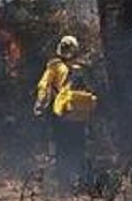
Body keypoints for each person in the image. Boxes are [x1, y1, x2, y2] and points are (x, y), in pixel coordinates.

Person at [34, 35, 97, 190]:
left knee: (61, 147)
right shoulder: (82, 68)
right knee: (79, 147)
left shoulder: (54, 66)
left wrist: (40, 106)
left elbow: (44, 87)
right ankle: (82, 182)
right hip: (79, 116)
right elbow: (92, 91)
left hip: (60, 115)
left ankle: (64, 184)